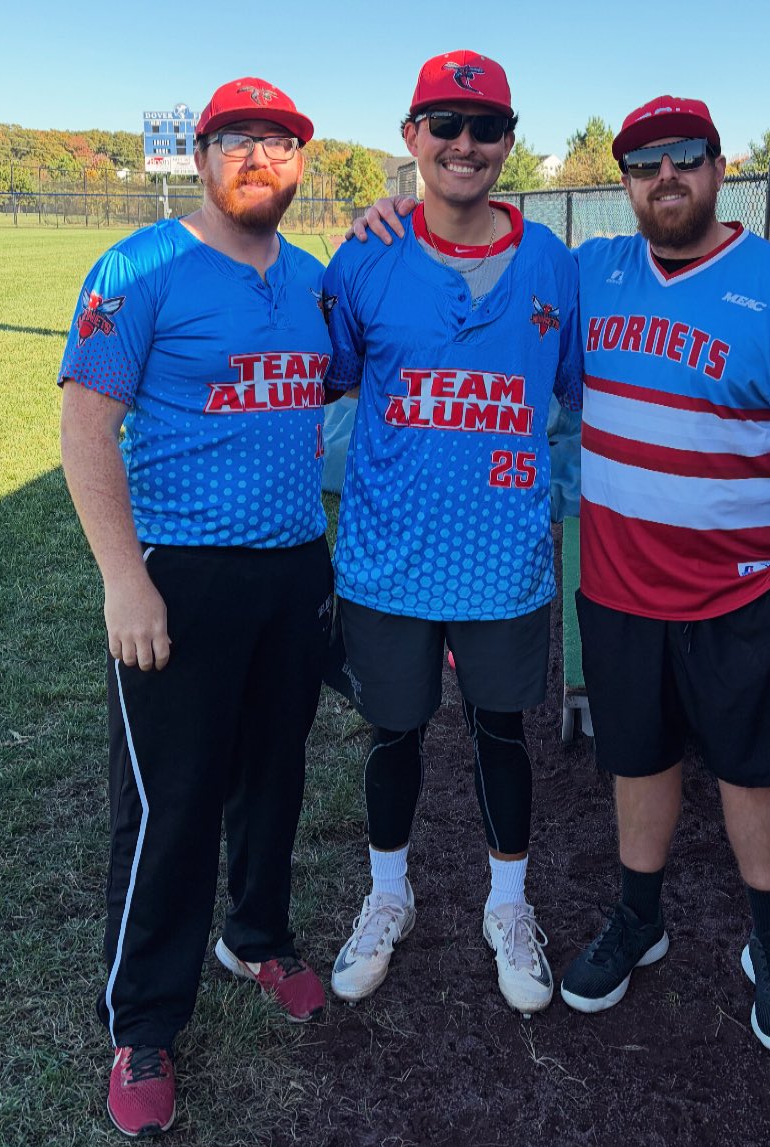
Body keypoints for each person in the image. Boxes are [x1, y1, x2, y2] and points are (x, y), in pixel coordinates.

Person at [58, 77, 334, 1138]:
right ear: (203, 153)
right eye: (239, 141)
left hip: (292, 567)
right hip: (180, 570)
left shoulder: (311, 280)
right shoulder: (141, 267)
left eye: (280, 143)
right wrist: (124, 577)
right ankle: (143, 1018)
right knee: (171, 801)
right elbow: (87, 428)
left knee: (275, 771)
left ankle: (256, 935)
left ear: (301, 162)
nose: (260, 159)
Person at [556, 96, 770, 1053]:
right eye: (644, 163)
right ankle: (639, 918)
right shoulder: (594, 271)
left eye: (685, 156)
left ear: (720, 169)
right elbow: (488, 247)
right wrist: (397, 214)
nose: (666, 176)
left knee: (754, 774)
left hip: (741, 593)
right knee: (637, 761)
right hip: (619, 588)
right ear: (626, 184)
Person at [320, 49, 582, 1017]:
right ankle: (388, 895)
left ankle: (507, 905)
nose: (465, 144)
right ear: (413, 135)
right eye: (446, 124)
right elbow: (323, 379)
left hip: (502, 560)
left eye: (486, 127)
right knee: (394, 730)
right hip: (388, 557)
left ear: (509, 141)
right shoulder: (366, 256)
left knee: (500, 729)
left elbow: (580, 395)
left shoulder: (553, 264)